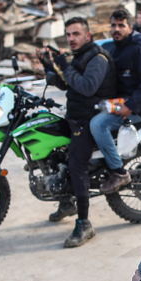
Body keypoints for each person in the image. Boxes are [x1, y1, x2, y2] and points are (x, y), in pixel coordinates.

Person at [38, 17, 118, 248]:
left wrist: (64, 66)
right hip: (75, 116)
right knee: (58, 156)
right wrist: (48, 65)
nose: (71, 38)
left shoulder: (97, 58)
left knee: (76, 164)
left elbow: (86, 86)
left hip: (89, 119)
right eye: (68, 34)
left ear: (87, 36)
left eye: (76, 34)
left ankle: (84, 223)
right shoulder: (81, 56)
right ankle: (67, 202)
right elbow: (66, 84)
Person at [94, 9, 141, 194]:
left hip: (138, 107)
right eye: (113, 25)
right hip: (119, 103)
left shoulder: (140, 48)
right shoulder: (113, 48)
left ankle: (118, 172)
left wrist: (130, 106)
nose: (116, 29)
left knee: (98, 125)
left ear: (130, 28)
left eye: (121, 25)